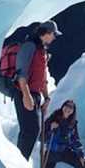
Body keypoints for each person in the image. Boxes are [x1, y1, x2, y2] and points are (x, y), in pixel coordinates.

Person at [14, 20, 61, 160]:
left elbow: (42, 77)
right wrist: (26, 95)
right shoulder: (29, 46)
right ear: (46, 33)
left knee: (29, 130)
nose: (54, 37)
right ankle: (19, 162)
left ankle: (19, 160)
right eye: (54, 34)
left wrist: (46, 97)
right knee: (31, 130)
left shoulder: (41, 50)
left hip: (35, 95)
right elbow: (21, 73)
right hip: (24, 93)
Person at [41, 100, 85, 168]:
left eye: (71, 107)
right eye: (67, 106)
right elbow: (41, 138)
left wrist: (81, 156)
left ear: (73, 111)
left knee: (83, 164)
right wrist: (50, 129)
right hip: (51, 153)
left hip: (64, 151)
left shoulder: (72, 123)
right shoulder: (53, 118)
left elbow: (75, 140)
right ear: (63, 106)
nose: (68, 109)